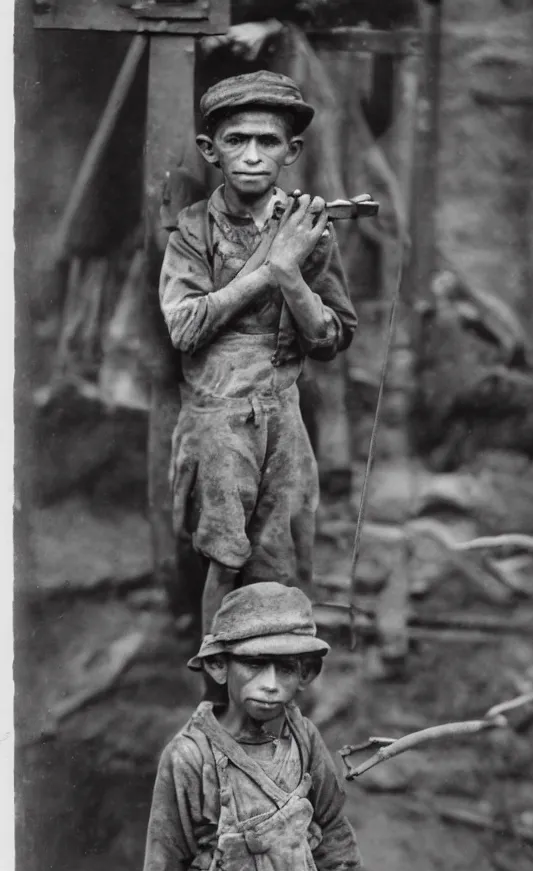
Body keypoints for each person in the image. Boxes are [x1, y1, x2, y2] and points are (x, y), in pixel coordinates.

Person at [160, 71, 357, 632]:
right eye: (235, 140)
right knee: (224, 559)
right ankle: (218, 684)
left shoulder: (310, 228)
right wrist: (270, 267)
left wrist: (293, 273)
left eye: (267, 142)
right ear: (209, 150)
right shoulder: (192, 232)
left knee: (283, 562)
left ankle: (274, 685)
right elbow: (185, 327)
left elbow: (333, 336)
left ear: (291, 151)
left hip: (284, 421)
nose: (251, 156)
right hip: (217, 420)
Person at [133, 582, 369, 871]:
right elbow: (163, 870)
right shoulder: (189, 756)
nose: (271, 685)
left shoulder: (305, 742)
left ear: (307, 674)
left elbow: (334, 842)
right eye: (256, 665)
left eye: (287, 669)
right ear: (220, 666)